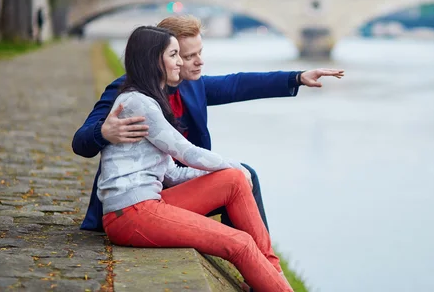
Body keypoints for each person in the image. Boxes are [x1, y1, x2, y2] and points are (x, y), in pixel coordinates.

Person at [72, 15, 344, 233]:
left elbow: (238, 84)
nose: (199, 62)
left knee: (244, 177)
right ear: (165, 56)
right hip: (141, 197)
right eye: (188, 56)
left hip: (182, 183)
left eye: (200, 52)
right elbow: (81, 141)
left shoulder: (193, 86)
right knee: (236, 177)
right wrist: (103, 132)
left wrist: (296, 77)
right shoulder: (127, 91)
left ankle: (259, 264)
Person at [96, 25, 292, 291]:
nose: (181, 62)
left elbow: (174, 172)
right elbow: (185, 152)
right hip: (130, 214)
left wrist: (229, 174)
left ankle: (273, 275)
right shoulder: (137, 103)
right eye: (175, 55)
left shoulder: (151, 101)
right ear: (155, 61)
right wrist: (235, 166)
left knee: (233, 181)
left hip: (149, 202)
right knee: (239, 243)